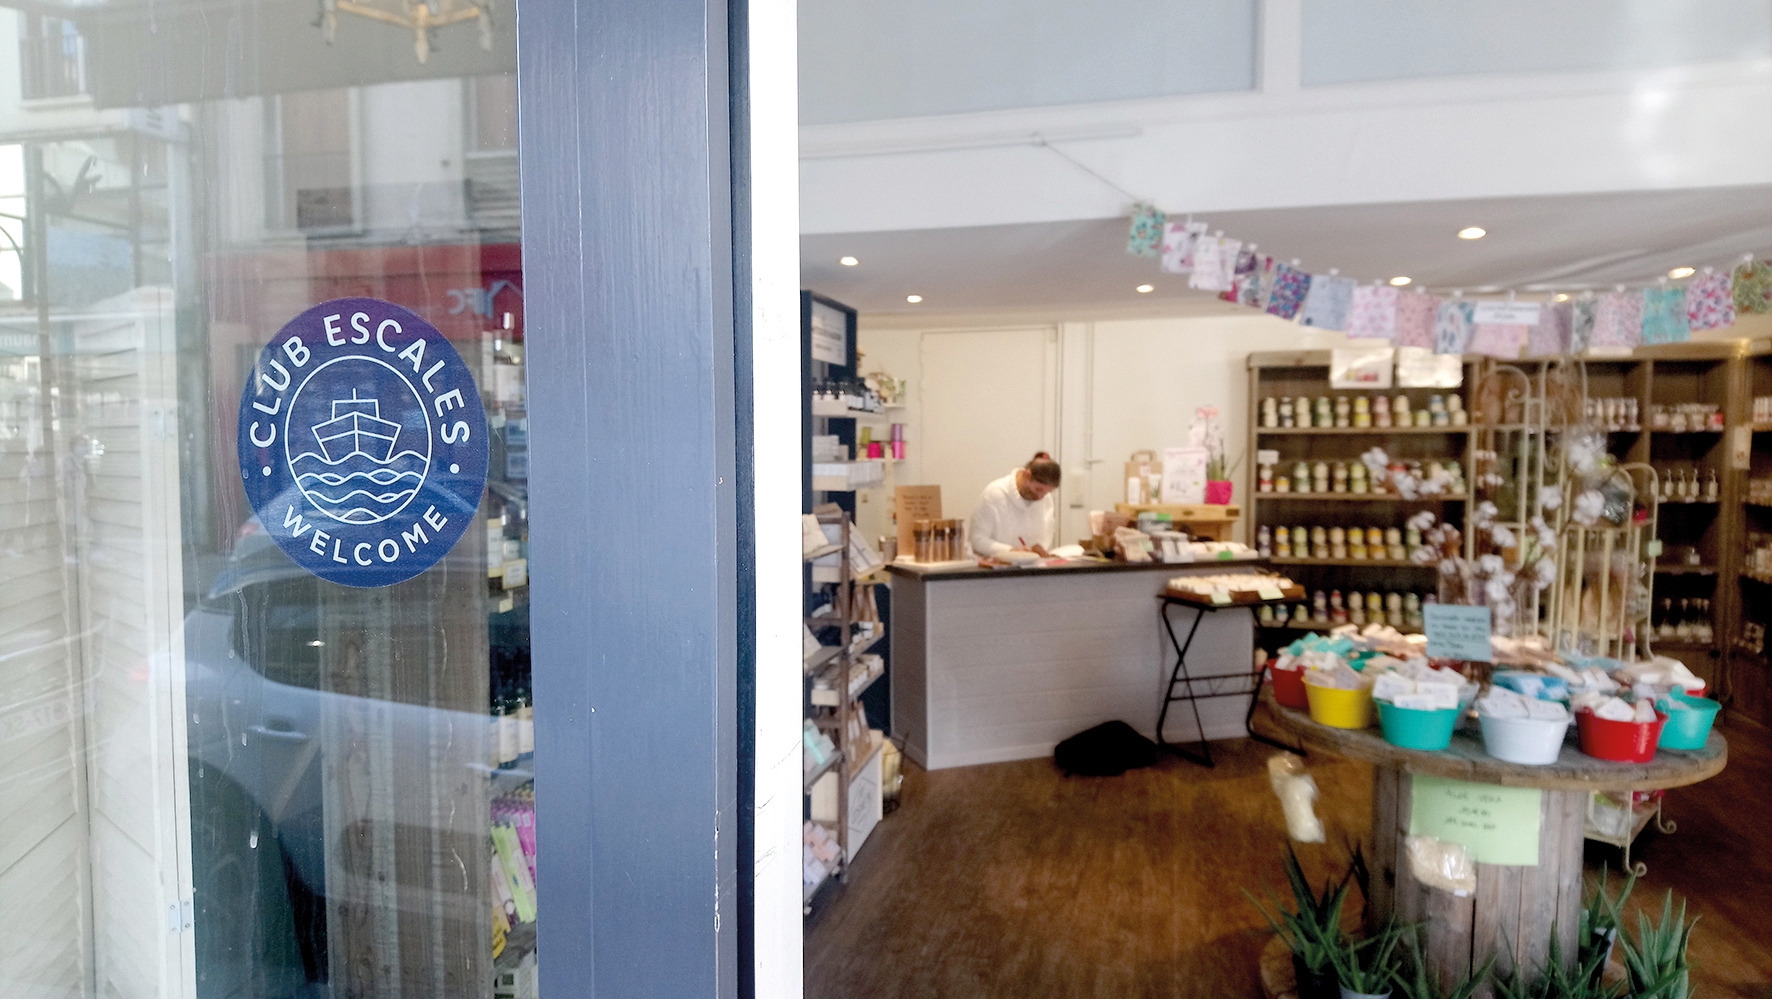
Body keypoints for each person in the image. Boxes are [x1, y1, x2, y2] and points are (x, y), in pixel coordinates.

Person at [970, 452, 1061, 557]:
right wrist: (1011, 550)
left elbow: (1047, 534)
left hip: (1034, 564)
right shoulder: (994, 494)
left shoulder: (1045, 498)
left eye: (1047, 492)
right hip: (998, 565)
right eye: (1038, 489)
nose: (1041, 497)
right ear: (1026, 475)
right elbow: (977, 539)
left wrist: (1040, 547)